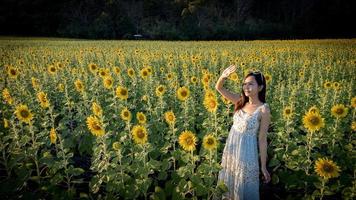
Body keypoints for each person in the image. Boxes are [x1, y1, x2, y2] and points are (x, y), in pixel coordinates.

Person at [215, 65, 271, 200]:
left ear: (260, 87)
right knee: (229, 183)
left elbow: (262, 140)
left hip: (247, 153)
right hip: (232, 149)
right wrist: (223, 76)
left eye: (251, 84)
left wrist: (263, 166)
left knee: (243, 186)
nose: (246, 87)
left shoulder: (263, 109)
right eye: (244, 84)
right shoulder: (239, 101)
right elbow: (219, 88)